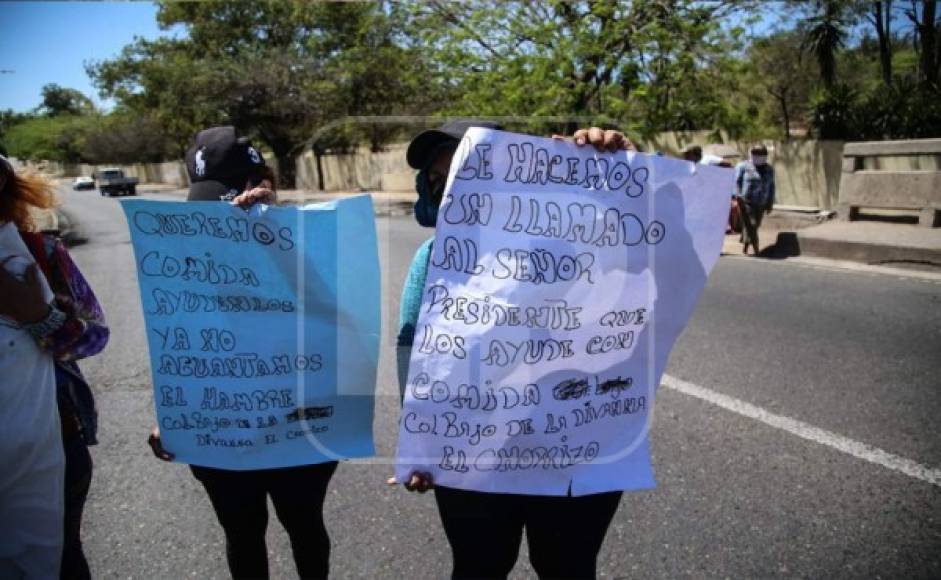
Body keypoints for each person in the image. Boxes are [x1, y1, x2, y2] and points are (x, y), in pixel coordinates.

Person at [395, 121, 635, 579]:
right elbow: (412, 350)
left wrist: (617, 169)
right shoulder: (430, 259)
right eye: (438, 181)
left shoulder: (582, 242)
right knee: (479, 567)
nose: (452, 193)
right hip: (472, 458)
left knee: (566, 567)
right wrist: (419, 444)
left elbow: (648, 248)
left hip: (572, 447)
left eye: (471, 176)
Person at [147, 126, 335, 580]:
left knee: (305, 524)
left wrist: (274, 233)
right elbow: (181, 342)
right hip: (222, 426)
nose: (222, 211)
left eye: (231, 195)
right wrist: (172, 414)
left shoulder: (313, 236)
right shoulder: (183, 250)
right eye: (210, 202)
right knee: (242, 532)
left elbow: (335, 317)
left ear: (263, 181)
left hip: (298, 421)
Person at [0, 156, 109, 579]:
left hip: (51, 445)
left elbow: (95, 336)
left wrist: (38, 316)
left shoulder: (39, 254)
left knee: (57, 558)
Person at [734, 144, 775, 255]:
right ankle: (756, 249)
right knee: (751, 224)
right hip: (746, 201)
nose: (758, 156)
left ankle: (746, 244)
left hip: (761, 202)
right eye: (756, 153)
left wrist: (770, 203)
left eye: (761, 154)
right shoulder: (743, 166)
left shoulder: (769, 169)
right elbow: (736, 181)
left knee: (754, 225)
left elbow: (771, 186)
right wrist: (737, 195)